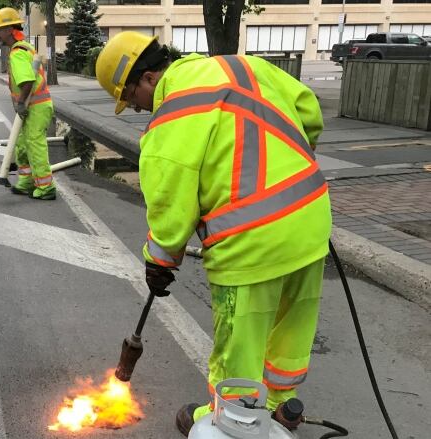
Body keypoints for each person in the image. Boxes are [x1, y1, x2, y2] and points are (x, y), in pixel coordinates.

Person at [95, 32, 332, 437]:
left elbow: (171, 207)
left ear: (149, 78)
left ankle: (230, 420)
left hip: (250, 241)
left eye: (132, 98)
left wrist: (160, 261)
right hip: (311, 218)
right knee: (292, 326)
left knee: (240, 339)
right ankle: (279, 408)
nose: (137, 108)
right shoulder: (244, 66)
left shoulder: (173, 115)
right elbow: (310, 115)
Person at [0, 7, 56, 200]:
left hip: (34, 107)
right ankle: (27, 181)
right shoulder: (25, 47)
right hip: (33, 106)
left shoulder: (17, 53)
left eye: (0, 30)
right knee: (21, 143)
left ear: (10, 30)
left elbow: (27, 82)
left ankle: (46, 188)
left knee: (34, 145)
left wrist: (20, 103)